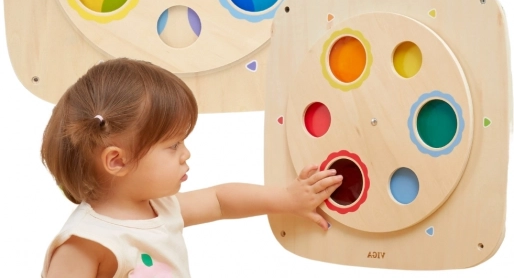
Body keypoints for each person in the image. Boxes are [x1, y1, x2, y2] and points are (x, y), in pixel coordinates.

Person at [41, 58, 342, 278]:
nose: (186, 154)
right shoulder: (86, 244)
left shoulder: (159, 207)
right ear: (118, 161)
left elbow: (220, 200)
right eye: (173, 145)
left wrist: (287, 199)